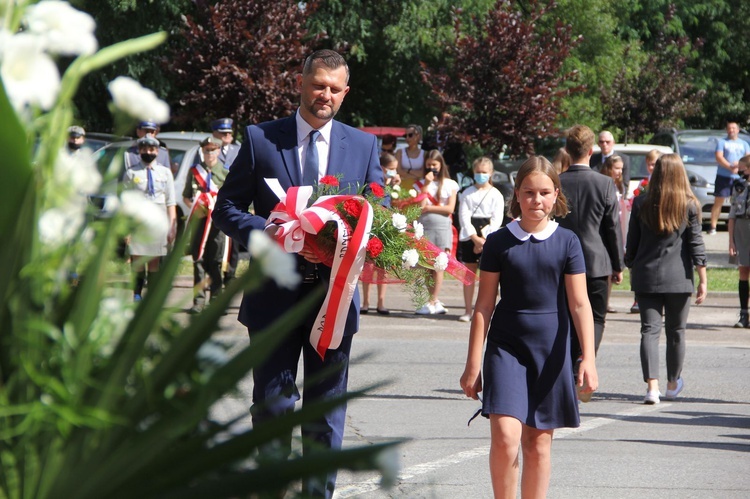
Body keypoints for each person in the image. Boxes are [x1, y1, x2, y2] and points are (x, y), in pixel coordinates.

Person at [211, 49, 382, 498]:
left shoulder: (364, 146)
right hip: (272, 297)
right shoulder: (261, 139)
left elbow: (377, 217)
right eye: (317, 84)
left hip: (334, 300)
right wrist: (269, 230)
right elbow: (226, 208)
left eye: (333, 88)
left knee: (325, 413)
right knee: (272, 408)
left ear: (345, 94)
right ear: (300, 82)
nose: (324, 94)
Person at [460, 156, 597, 498]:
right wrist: (473, 363)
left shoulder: (567, 242)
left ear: (556, 195)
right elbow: (484, 305)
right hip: (506, 349)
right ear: (517, 195)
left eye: (544, 193)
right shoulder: (498, 241)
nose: (537, 200)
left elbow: (580, 304)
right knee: (506, 437)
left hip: (551, 352)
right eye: (529, 192)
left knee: (537, 444)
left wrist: (589, 359)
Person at [625, 153, 707, 404]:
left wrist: (631, 264)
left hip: (646, 275)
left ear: (657, 172)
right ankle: (672, 384)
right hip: (679, 277)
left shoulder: (641, 202)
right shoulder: (690, 204)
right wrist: (703, 278)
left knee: (649, 331)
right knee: (677, 331)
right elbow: (696, 245)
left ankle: (652, 387)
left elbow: (632, 244)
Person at [557, 125, 623, 392]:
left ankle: (569, 366)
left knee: (564, 316)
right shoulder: (605, 183)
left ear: (567, 150)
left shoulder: (556, 182)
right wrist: (618, 265)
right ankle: (584, 363)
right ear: (591, 150)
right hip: (596, 262)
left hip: (561, 261)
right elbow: (612, 229)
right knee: (595, 318)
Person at [121, 136, 177, 301]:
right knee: (138, 258)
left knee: (154, 259)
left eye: (151, 150)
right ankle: (137, 293)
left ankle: (152, 296)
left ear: (157, 152)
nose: (148, 152)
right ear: (139, 151)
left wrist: (172, 227)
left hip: (158, 222)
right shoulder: (131, 173)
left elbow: (171, 202)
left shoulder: (165, 173)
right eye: (144, 149)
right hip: (138, 221)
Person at [183, 137, 229, 314]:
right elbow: (187, 196)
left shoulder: (224, 173)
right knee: (199, 260)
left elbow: (229, 200)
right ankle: (199, 301)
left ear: (218, 151)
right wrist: (195, 209)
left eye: (213, 149)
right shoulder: (194, 171)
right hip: (199, 223)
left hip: (217, 225)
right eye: (206, 150)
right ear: (202, 151)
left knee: (216, 261)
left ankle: (216, 300)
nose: (209, 153)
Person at [457, 156, 504, 322]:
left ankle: (485, 309)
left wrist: (484, 239)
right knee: (469, 273)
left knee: (488, 276)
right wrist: (474, 238)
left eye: (484, 172)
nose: (481, 175)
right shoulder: (467, 193)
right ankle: (468, 309)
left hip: (488, 235)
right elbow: (464, 215)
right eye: (478, 172)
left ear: (490, 173)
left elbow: (497, 218)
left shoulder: (496, 194)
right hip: (470, 235)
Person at [414, 149, 459, 315]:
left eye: (435, 164)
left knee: (439, 265)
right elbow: (420, 206)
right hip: (424, 226)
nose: (432, 167)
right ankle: (429, 299)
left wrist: (430, 208)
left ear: (441, 165)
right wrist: (425, 185)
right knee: (425, 265)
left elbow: (450, 208)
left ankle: (434, 300)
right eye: (429, 165)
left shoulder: (450, 184)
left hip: (442, 228)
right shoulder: (421, 184)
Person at [361, 152, 400, 315]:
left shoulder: (392, 184)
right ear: (382, 168)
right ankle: (366, 301)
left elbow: (396, 203)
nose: (394, 172)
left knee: (383, 266)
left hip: (387, 226)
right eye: (391, 169)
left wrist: (394, 185)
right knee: (368, 265)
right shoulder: (374, 182)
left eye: (395, 169)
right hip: (372, 225)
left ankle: (381, 302)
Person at [210, 117, 242, 286]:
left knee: (233, 245)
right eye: (222, 133)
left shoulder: (239, 150)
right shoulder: (207, 151)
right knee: (216, 245)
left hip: (234, 204)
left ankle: (230, 276)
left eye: (229, 132)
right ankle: (215, 279)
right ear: (214, 134)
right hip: (212, 205)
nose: (227, 135)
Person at [628, 149, 662, 314]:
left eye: (655, 164)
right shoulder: (643, 184)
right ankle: (638, 298)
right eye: (649, 164)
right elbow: (634, 201)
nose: (651, 167)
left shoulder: (663, 183)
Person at [600, 155, 630, 313]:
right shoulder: (604, 183)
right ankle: (605, 301)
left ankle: (607, 300)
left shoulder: (620, 185)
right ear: (609, 168)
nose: (619, 172)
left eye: (621, 169)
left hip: (620, 221)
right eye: (616, 168)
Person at [709, 121, 750, 235]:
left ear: (738, 130)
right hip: (724, 176)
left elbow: (748, 158)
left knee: (739, 201)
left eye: (733, 128)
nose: (731, 130)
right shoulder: (722, 142)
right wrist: (730, 167)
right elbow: (719, 157)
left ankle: (735, 226)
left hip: (740, 177)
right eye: (729, 128)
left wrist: (740, 167)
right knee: (719, 201)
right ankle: (713, 226)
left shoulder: (744, 144)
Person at [728, 154, 750, 327]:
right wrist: (731, 241)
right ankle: (744, 314)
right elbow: (732, 215)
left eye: (743, 169)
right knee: (743, 272)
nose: (741, 173)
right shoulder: (738, 187)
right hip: (742, 232)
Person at [396, 124, 425, 191]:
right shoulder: (400, 152)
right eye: (405, 136)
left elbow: (423, 173)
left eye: (410, 135)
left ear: (418, 136)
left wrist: (407, 171)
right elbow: (398, 171)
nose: (407, 138)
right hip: (402, 187)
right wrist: (415, 176)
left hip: (419, 188)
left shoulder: (424, 154)